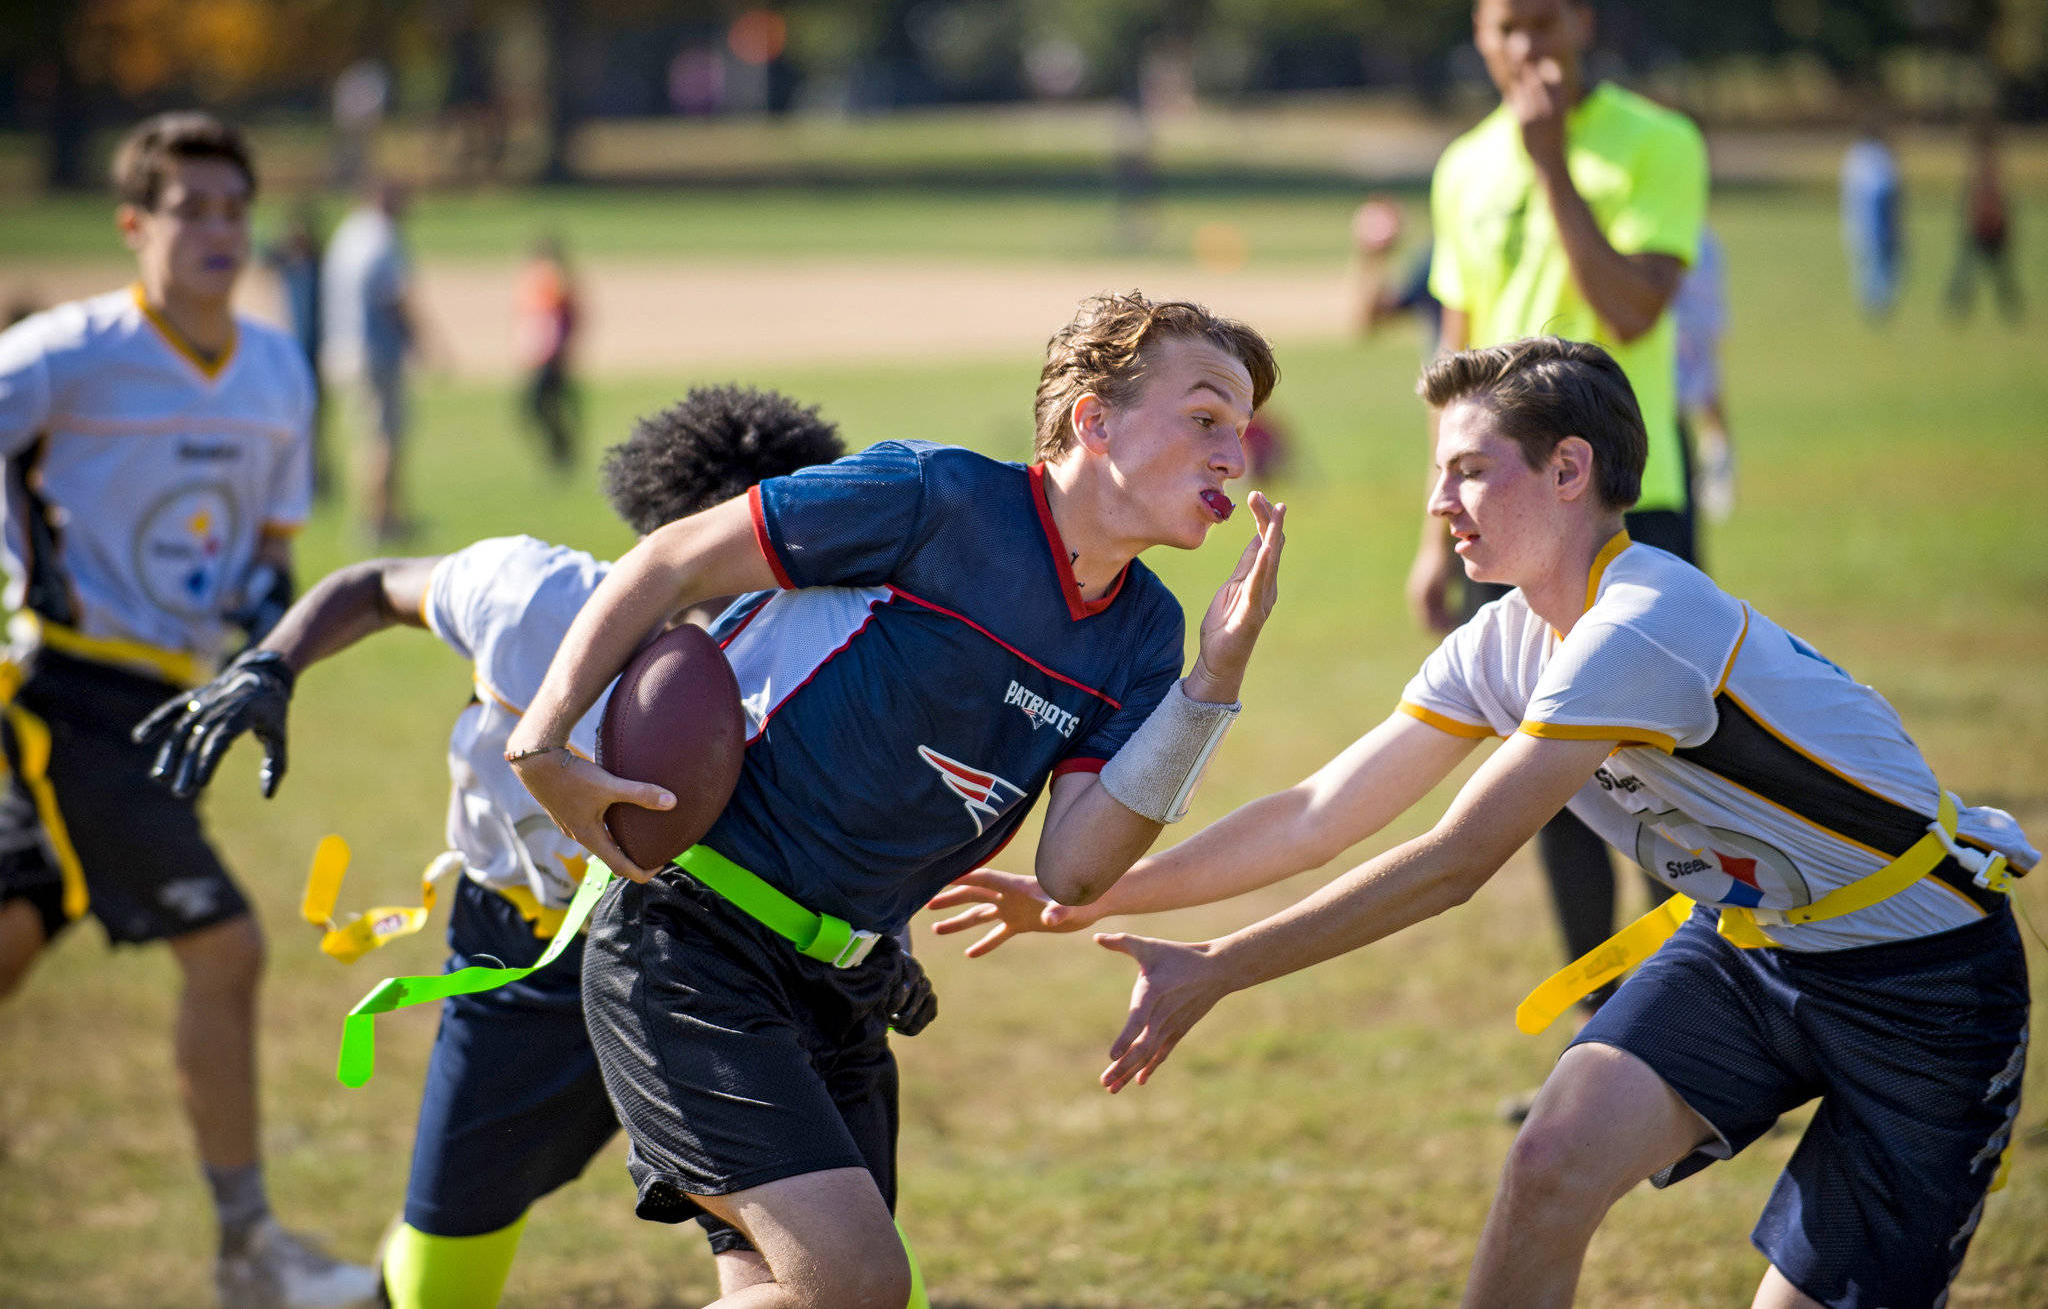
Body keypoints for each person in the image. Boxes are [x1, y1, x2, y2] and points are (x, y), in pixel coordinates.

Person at [936, 336, 2034, 1309]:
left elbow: (1453, 862)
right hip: (1749, 948)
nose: (1437, 503)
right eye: (1437, 472)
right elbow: (1318, 812)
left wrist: (1220, 966)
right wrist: (1090, 895)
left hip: (1922, 983)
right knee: (1550, 1161)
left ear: (1568, 470)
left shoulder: (1640, 625)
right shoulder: (1501, 640)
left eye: (1467, 469)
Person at [509, 291, 1288, 1309]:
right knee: (861, 1281)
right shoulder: (934, 495)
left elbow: (1074, 868)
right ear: (1095, 421)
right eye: (1206, 418)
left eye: (1240, 428)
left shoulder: (1146, 631)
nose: (1235, 454)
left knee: (813, 1292)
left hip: (849, 984)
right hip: (693, 943)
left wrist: (1211, 683)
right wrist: (543, 737)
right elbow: (672, 559)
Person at [136, 386, 859, 1309]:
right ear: (663, 542)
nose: (754, 583)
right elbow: (374, 586)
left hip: (710, 971)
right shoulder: (534, 600)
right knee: (443, 1270)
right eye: (728, 552)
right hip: (520, 960)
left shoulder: (822, 654)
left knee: (841, 1270)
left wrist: (879, 944)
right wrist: (271, 663)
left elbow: (870, 821)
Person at [0, 112, 378, 1309]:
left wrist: (265, 614)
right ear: (134, 225)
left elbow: (271, 544)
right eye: (188, 209)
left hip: (177, 707)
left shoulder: (275, 368)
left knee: (14, 936)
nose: (217, 231)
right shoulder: (70, 351)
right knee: (226, 947)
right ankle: (248, 1251)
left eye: (232, 209)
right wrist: (17, 556)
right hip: (67, 691)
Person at [1407, 0, 1708, 1033]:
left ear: (1582, 22)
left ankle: (1696, 1027)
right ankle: (1601, 1029)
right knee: (1549, 781)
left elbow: (1631, 308)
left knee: (1666, 774)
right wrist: (1434, 532)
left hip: (1634, 502)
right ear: (1479, 35)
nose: (1527, 46)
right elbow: (1455, 366)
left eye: (1545, 22)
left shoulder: (1656, 142)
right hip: (1507, 512)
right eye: (1506, 26)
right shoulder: (1461, 167)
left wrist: (1550, 165)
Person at [321, 180, 419, 542]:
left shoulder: (348, 233)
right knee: (384, 438)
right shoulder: (382, 237)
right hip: (375, 352)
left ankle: (377, 517)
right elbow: (394, 297)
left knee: (366, 437)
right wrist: (420, 341)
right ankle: (379, 520)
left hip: (341, 347)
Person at [262, 202, 327, 495]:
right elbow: (263, 257)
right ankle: (291, 476)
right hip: (292, 351)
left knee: (315, 419)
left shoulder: (317, 265)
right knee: (289, 418)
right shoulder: (289, 264)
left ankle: (314, 474)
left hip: (313, 351)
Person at [1672, 225, 1734, 523]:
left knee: (1703, 386)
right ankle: (1711, 460)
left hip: (1684, 246)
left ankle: (1719, 458)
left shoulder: (1702, 243)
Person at [1945, 119, 2023, 324]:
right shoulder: (1989, 167)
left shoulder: (1983, 168)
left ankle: (1959, 306)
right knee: (1977, 272)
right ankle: (1958, 306)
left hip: (1984, 227)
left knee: (1982, 272)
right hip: (1986, 227)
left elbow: (1979, 200)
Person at [1345, 196, 1443, 357]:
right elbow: (1370, 321)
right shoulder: (1432, 260)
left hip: (1458, 365)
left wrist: (1372, 257)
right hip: (1452, 366)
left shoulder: (1435, 258)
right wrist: (1374, 260)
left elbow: (1369, 322)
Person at [515, 237, 580, 471]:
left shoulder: (557, 284)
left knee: (541, 404)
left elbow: (563, 320)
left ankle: (562, 451)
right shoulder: (534, 284)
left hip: (551, 356)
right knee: (537, 407)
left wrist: (561, 349)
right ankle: (559, 451)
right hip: (536, 356)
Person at [1840, 119, 1903, 323]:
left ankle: (1872, 305)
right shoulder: (1879, 157)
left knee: (1866, 265)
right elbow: (1884, 191)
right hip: (1878, 222)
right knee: (1880, 265)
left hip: (1857, 223)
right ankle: (1878, 306)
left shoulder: (1854, 156)